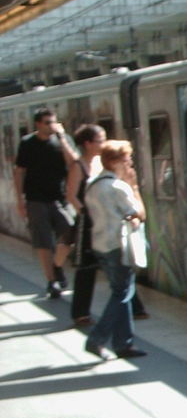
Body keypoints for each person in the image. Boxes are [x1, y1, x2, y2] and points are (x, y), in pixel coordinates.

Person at [66, 123, 148, 328]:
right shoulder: (80, 166)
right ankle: (83, 315)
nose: (102, 143)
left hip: (105, 226)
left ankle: (135, 310)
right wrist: (86, 213)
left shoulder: (100, 167)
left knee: (120, 278)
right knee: (89, 270)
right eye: (99, 140)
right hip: (90, 224)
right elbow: (72, 195)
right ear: (87, 144)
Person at [82, 140, 147, 360]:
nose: (129, 162)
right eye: (126, 158)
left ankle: (124, 343)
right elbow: (139, 214)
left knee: (122, 292)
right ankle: (97, 339)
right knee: (121, 293)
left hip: (100, 245)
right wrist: (135, 186)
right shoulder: (119, 187)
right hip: (119, 246)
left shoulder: (92, 184)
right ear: (113, 161)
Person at [13, 107, 77, 298]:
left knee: (70, 231)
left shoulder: (62, 140)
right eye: (48, 122)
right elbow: (19, 171)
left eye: (54, 122)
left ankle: (57, 266)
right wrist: (19, 199)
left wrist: (63, 138)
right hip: (35, 199)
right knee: (43, 242)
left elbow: (73, 162)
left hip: (61, 197)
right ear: (38, 124)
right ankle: (52, 281)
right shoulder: (27, 143)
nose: (52, 126)